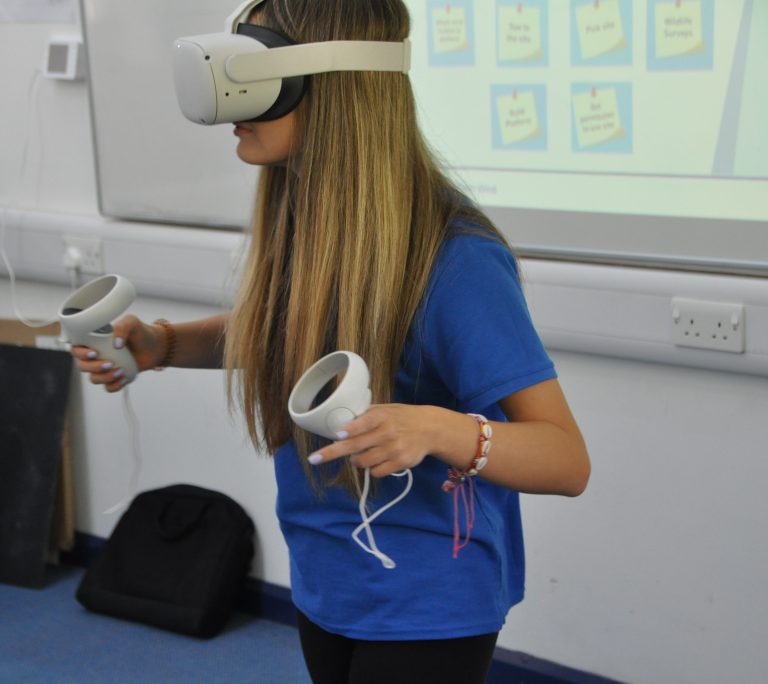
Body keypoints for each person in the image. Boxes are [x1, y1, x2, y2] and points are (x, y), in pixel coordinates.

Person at [71, 1, 590, 682]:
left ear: (333, 87)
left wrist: (438, 429)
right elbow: (293, 326)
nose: (228, 102)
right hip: (328, 573)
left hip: (427, 600)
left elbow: (565, 459)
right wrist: (162, 345)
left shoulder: (456, 261)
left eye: (249, 69)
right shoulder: (309, 216)